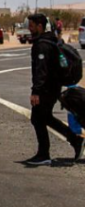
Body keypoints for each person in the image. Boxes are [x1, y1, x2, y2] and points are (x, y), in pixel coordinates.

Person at [24, 13, 84, 165]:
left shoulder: (42, 45)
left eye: (31, 26)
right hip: (52, 87)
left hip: (46, 89)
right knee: (45, 118)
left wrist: (36, 91)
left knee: (37, 119)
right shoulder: (51, 40)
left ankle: (44, 154)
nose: (29, 29)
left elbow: (41, 70)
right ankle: (75, 141)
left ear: (40, 26)